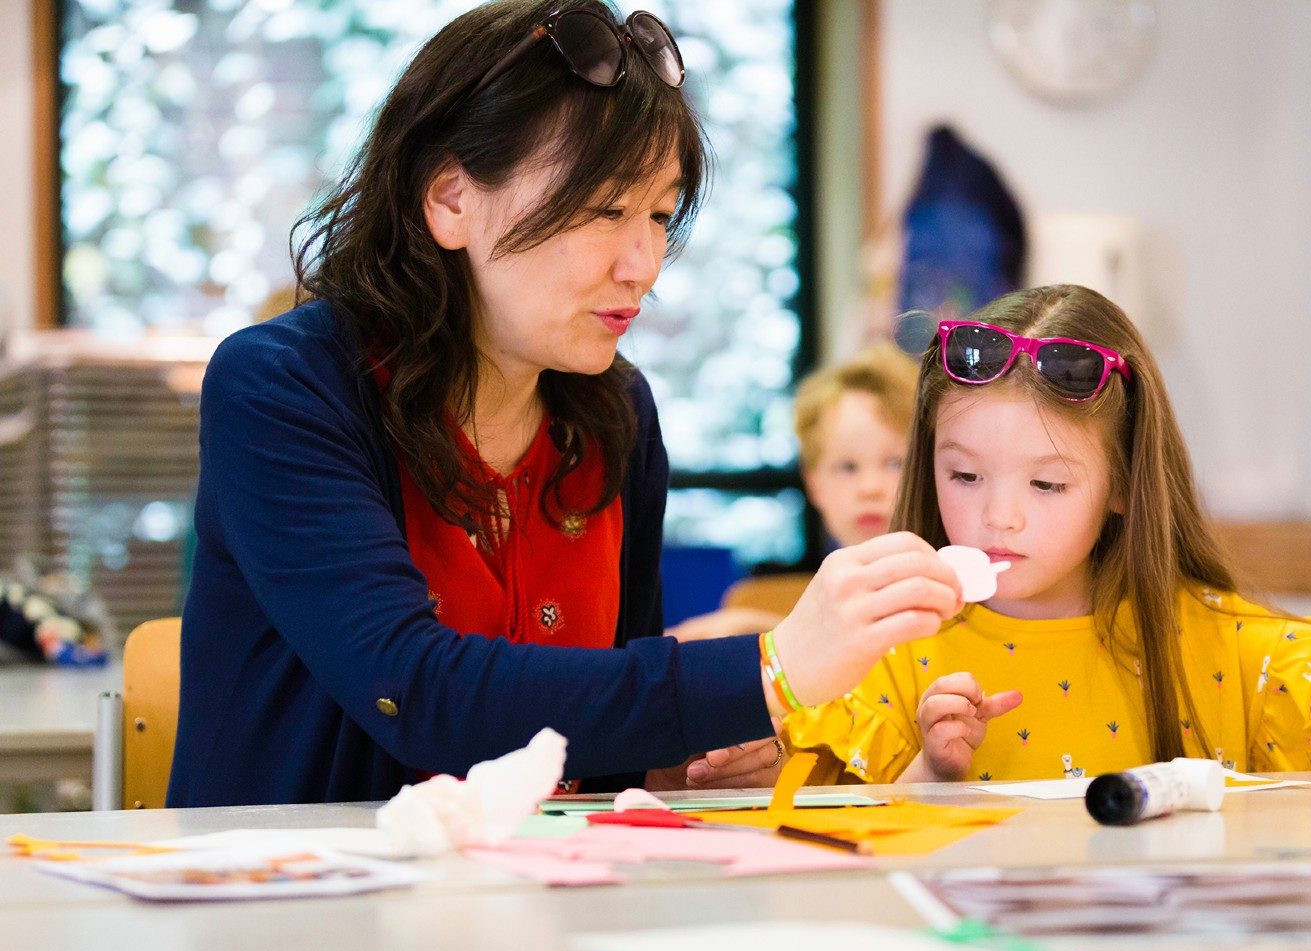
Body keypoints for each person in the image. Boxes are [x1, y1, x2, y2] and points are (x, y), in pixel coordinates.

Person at [168, 0, 961, 806]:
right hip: (294, 905)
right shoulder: (285, 384)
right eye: (604, 210)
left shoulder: (615, 413)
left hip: (534, 896)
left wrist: (677, 757)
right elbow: (414, 690)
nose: (643, 262)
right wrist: (769, 671)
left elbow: (595, 745)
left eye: (658, 213)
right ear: (450, 200)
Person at [781, 284, 1311, 784]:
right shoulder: (895, 644)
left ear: (1122, 484)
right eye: (964, 477)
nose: (1000, 516)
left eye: (1047, 485)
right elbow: (850, 835)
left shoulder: (1207, 635)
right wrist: (934, 770)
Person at [665, 345, 918, 642]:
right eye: (847, 467)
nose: (870, 488)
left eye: (895, 463)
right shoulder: (807, 600)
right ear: (814, 485)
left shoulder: (964, 592)